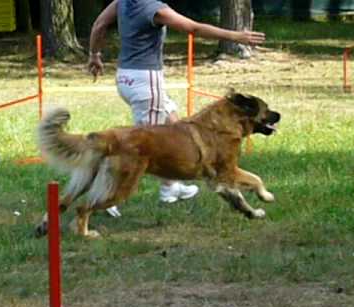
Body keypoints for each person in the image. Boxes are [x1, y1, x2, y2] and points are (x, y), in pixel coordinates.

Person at [88, 0, 266, 217]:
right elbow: (192, 28)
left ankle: (173, 186)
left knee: (176, 125)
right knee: (142, 145)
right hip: (147, 80)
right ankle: (110, 195)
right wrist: (235, 36)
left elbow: (99, 25)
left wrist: (94, 55)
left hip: (126, 77)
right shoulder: (153, 8)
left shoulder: (122, 2)